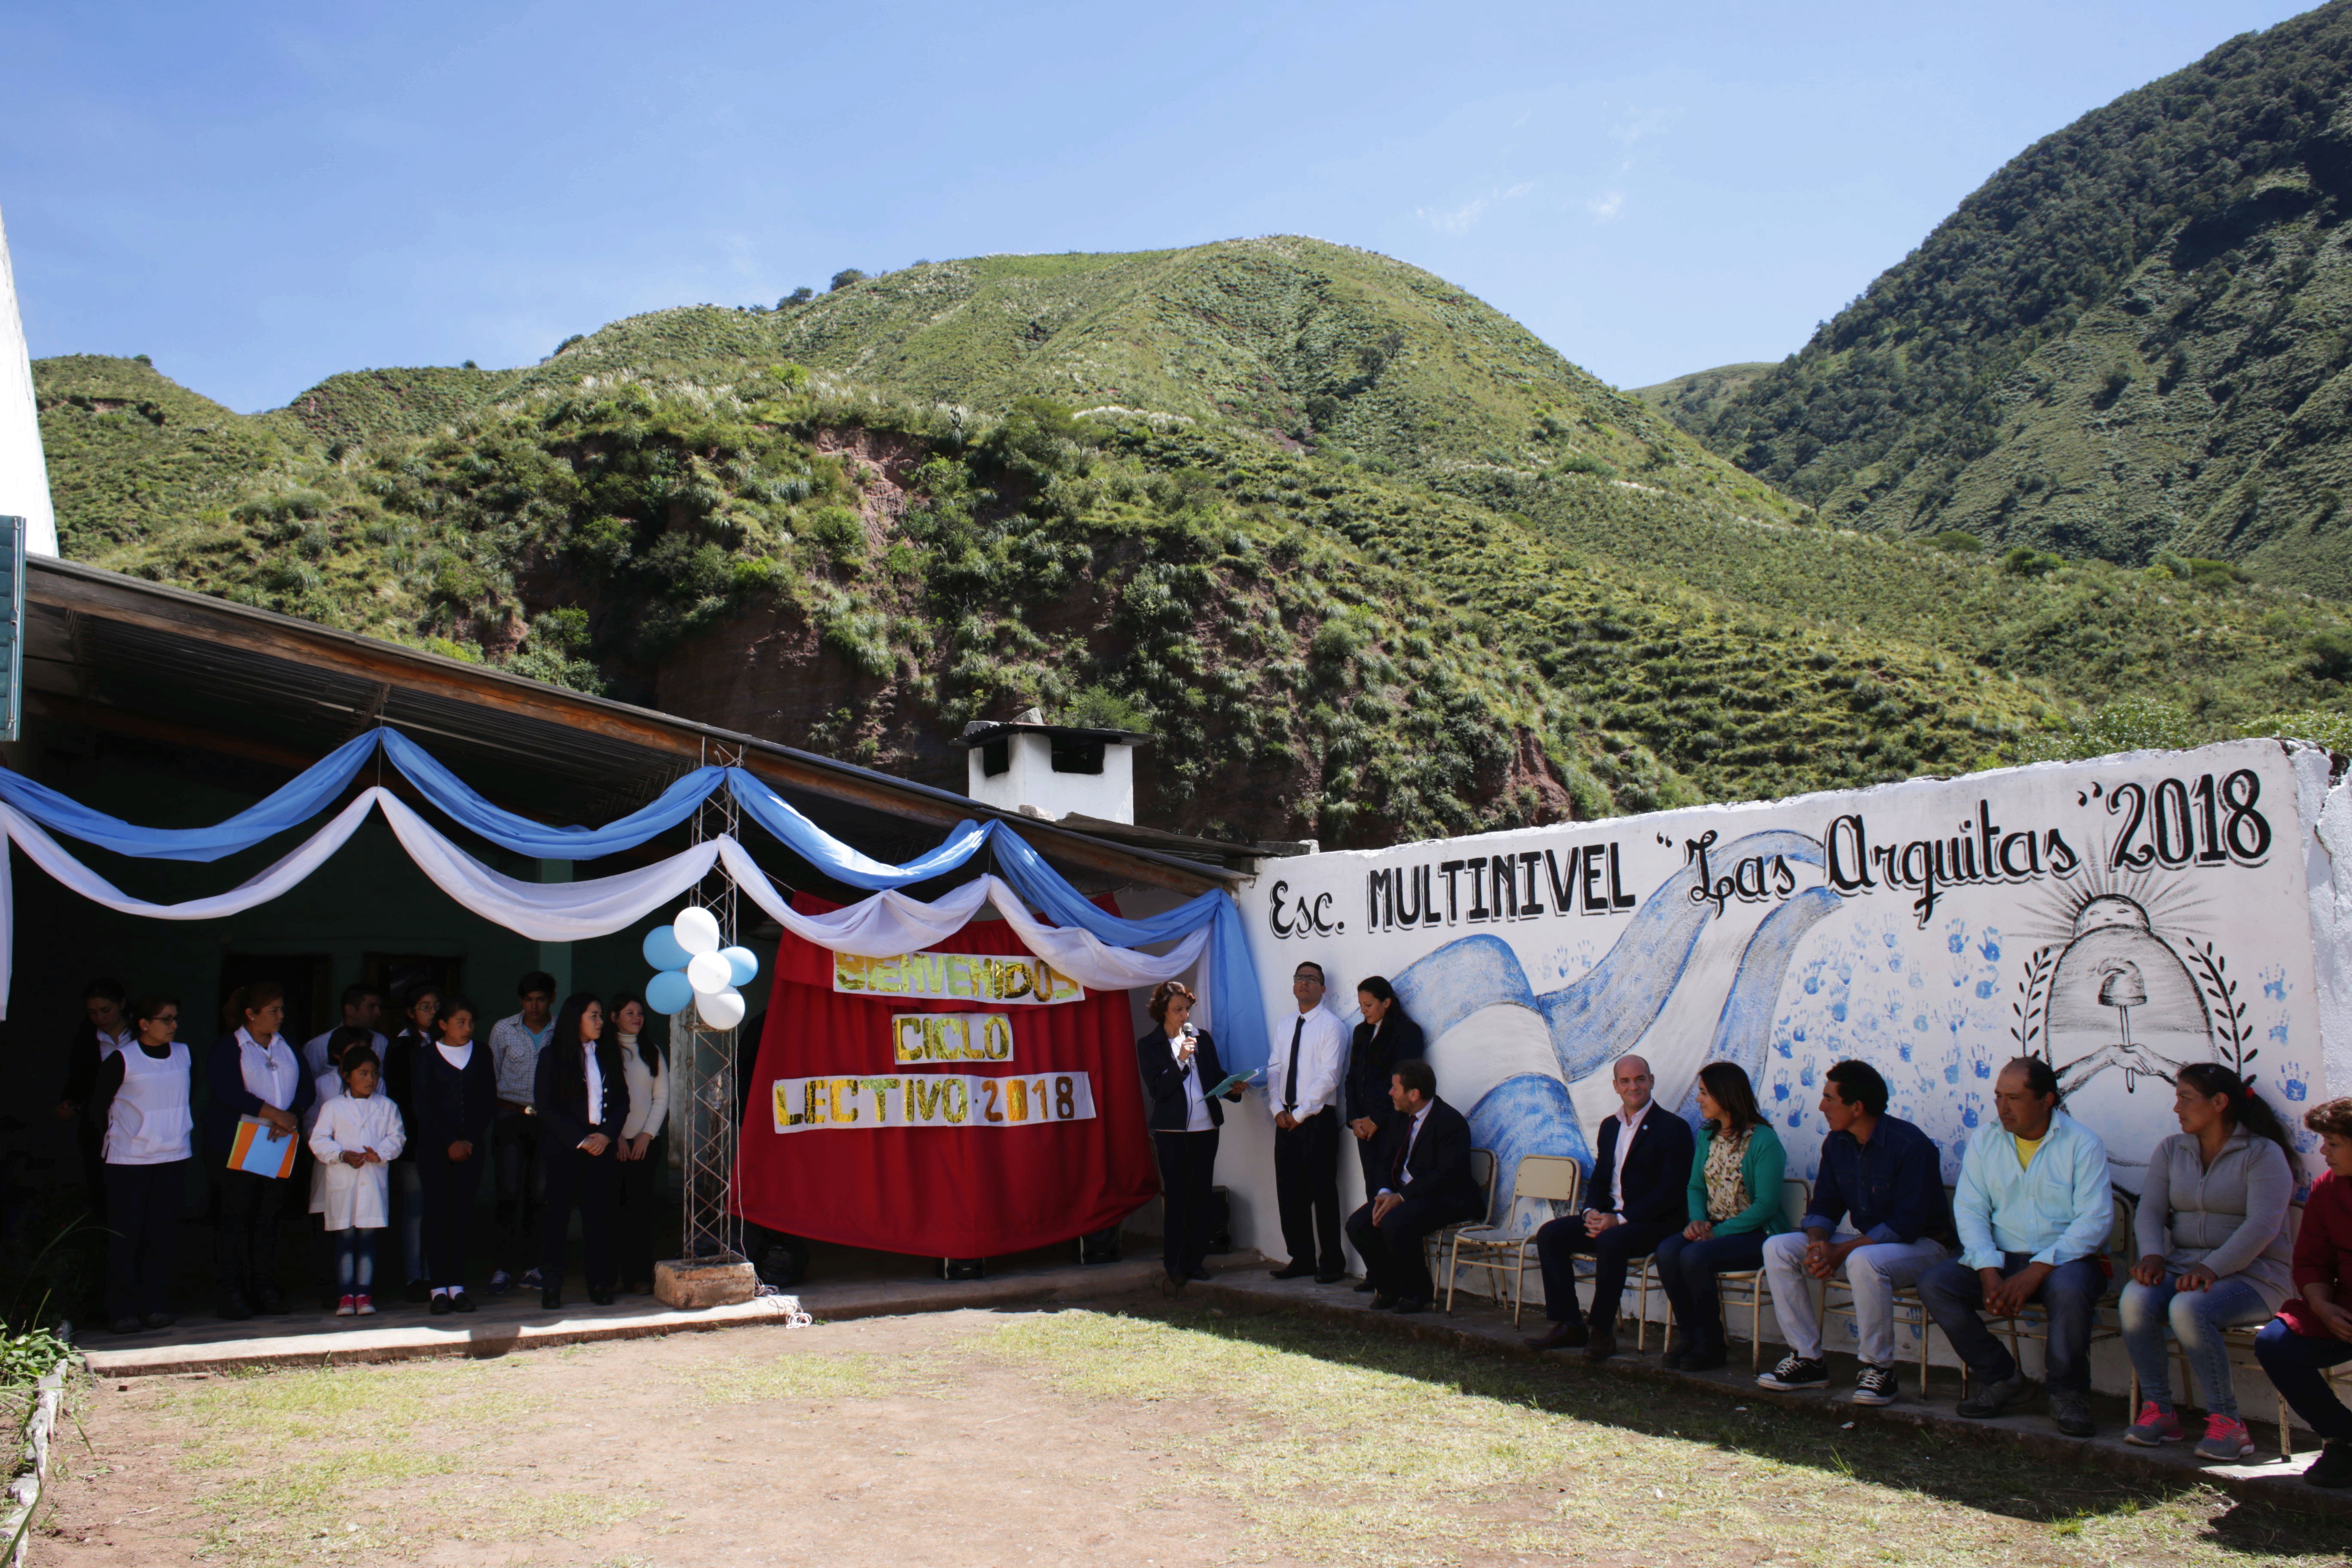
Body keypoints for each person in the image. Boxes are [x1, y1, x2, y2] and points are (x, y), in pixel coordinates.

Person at [1916, 1056, 2113, 1436]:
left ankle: (2068, 1394)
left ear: (2046, 1101)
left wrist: (2036, 1271)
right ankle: (2003, 1379)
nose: (2003, 1108)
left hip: (2066, 1261)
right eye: (1998, 1097)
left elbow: (2096, 1221)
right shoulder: (1987, 1140)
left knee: (2071, 1290)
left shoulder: (2082, 1144)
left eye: (2014, 1098)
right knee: (1936, 1283)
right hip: (2003, 1259)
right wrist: (1989, 1272)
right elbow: (1971, 1209)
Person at [2119, 1065, 2297, 1460]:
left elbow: (2263, 1226)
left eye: (2185, 1098)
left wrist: (2213, 1268)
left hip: (2256, 1277)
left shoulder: (2263, 1154)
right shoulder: (2171, 1149)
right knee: (2135, 1298)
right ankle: (2159, 1411)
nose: (2176, 1107)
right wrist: (2153, 1254)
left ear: (2219, 1103)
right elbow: (2149, 1210)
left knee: (2188, 1308)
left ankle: (2228, 1423)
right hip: (2185, 1269)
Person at [1758, 1060, 1951, 1405]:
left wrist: (1841, 1252)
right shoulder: (1837, 1143)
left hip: (1925, 1249)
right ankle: (1807, 1360)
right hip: (1870, 1249)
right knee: (1779, 1247)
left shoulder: (1911, 1145)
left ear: (1857, 1107)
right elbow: (1825, 1206)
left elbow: (1907, 1224)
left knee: (1864, 1260)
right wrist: (1819, 1245)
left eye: (1829, 1099)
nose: (1822, 1107)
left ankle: (1880, 1370)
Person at [1525, 1054, 1694, 1360]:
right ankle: (1570, 1324)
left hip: (1655, 1223)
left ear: (1651, 1081)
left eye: (1640, 1079)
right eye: (1626, 1081)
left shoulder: (1673, 1128)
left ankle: (1602, 1332)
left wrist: (1621, 1220)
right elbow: (1601, 1179)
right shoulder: (1609, 1127)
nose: (1634, 1087)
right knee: (1551, 1234)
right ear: (1616, 1086)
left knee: (1611, 1240)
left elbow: (1671, 1192)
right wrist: (1590, 1213)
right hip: (1611, 1220)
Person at [1653, 1062, 1790, 1371]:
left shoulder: (1764, 1141)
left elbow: (1766, 1206)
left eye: (1704, 1093)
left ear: (1724, 1095)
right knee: (1668, 1251)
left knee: (1695, 1256)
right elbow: (1696, 1186)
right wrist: (1698, 1222)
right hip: (1713, 1230)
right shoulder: (1707, 1137)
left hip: (1759, 1236)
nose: (1698, 1100)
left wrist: (1719, 1233)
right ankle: (1690, 1337)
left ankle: (1711, 1344)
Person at [203, 982, 315, 1320]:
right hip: (238, 1145)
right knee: (236, 1218)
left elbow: (307, 1086)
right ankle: (232, 1292)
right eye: (273, 1011)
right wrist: (273, 1113)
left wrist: (291, 1114)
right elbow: (228, 1091)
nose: (281, 1016)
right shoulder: (229, 1047)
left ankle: (265, 1288)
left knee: (269, 1218)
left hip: (280, 1143)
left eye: (281, 1009)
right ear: (251, 1015)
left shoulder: (287, 1045)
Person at [2256, 1096, 2352, 1488]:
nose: (2323, 1152)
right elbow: (2311, 1259)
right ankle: (2344, 1437)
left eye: (2334, 1143)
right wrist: (2322, 1305)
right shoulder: (2329, 1188)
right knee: (2277, 1344)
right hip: (2342, 1308)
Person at [1342, 1060, 1482, 1312]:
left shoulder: (1450, 1122)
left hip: (1447, 1197)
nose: (1390, 1093)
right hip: (1406, 1196)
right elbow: (1385, 1161)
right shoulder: (1400, 1118)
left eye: (1395, 1088)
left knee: (1397, 1222)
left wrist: (1402, 1198)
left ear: (1414, 1094)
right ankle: (1389, 1287)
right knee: (1359, 1225)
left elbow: (1446, 1175)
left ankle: (1417, 1292)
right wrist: (1385, 1193)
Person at [1134, 980, 1246, 1292]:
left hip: (1206, 1128)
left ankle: (1197, 1262)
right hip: (1172, 1131)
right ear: (1163, 1012)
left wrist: (1234, 1089)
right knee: (1178, 1196)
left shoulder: (1202, 1039)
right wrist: (1181, 1059)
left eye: (1187, 1009)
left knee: (1201, 1196)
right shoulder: (1150, 1045)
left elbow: (1215, 1078)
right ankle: (1175, 1264)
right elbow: (1159, 1090)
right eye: (1177, 1010)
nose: (1184, 1016)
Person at [93, 993, 191, 1333]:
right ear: (144, 1024)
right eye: (166, 1019)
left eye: (175, 1018)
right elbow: (97, 1109)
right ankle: (122, 1310)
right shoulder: (123, 1059)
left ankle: (155, 1306)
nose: (173, 1025)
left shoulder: (183, 1054)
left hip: (173, 1155)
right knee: (126, 1236)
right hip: (129, 1160)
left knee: (161, 1235)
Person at [536, 993, 631, 1309]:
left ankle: (600, 1283)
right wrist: (581, 1139)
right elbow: (546, 1107)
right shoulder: (553, 1056)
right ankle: (552, 1286)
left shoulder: (607, 1054)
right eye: (594, 1016)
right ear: (575, 1019)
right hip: (566, 1148)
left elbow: (622, 1102)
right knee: (557, 1217)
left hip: (601, 1148)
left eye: (601, 1015)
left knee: (599, 1218)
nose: (601, 1022)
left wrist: (605, 1135)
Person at [1266, 960, 1349, 1284]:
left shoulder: (1332, 1026)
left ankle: (1331, 1262)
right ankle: (1301, 1258)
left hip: (1316, 1120)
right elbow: (1274, 1068)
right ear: (1293, 985)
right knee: (1289, 1192)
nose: (1304, 984)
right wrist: (1277, 1109)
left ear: (1323, 988)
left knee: (1323, 1192)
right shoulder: (1286, 1025)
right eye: (1300, 978)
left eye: (1312, 980)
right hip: (1285, 1119)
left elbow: (1329, 1077)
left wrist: (1299, 1114)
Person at [309, 1043, 406, 1317]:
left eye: (374, 1074)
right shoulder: (333, 1107)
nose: (370, 1080)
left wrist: (381, 1154)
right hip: (343, 1181)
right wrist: (340, 1155)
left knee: (367, 1239)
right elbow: (319, 1139)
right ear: (346, 1075)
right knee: (345, 1239)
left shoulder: (387, 1106)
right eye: (363, 1074)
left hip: (372, 1181)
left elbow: (397, 1138)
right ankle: (345, 1295)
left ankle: (364, 1294)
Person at [414, 995, 496, 1314]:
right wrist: (449, 1141)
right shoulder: (426, 1057)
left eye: (470, 1022)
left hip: (471, 1148)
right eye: (460, 1022)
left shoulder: (482, 1053)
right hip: (434, 1150)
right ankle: (437, 1288)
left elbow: (488, 1101)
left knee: (462, 1215)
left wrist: (469, 1140)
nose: (467, 1028)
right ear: (443, 1025)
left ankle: (458, 1286)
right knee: (437, 1215)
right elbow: (423, 1106)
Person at [1344, 976, 1425, 1262]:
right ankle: (1377, 1269)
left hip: (1392, 1126)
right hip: (1364, 1129)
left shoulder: (1407, 1033)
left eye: (1369, 1005)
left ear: (1387, 1003)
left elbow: (1404, 1083)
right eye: (1361, 1006)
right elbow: (1353, 1079)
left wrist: (1377, 1119)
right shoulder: (1361, 1033)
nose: (1364, 1011)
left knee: (1390, 1191)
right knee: (1372, 1191)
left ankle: (1397, 1268)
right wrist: (1355, 1119)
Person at [488, 971, 557, 1295]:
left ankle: (532, 1267)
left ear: (551, 1000)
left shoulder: (561, 1031)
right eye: (529, 1000)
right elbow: (491, 1076)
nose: (534, 1006)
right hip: (510, 1115)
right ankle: (502, 1267)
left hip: (546, 1121)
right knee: (508, 1193)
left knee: (540, 1195)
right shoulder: (503, 1029)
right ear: (521, 1002)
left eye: (541, 999)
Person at [55, 978, 133, 1225]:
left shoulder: (142, 1032)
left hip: (137, 1125)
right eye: (92, 1012)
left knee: (134, 1192)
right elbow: (79, 1078)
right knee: (101, 1189)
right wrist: (70, 1102)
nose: (100, 1018)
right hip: (99, 1125)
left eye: (105, 1010)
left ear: (121, 1004)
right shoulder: (87, 1037)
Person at [381, 985, 439, 1301]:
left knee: (436, 1209)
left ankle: (435, 1274)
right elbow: (401, 1097)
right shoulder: (402, 1046)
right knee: (415, 1210)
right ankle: (414, 1277)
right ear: (410, 1012)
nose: (431, 1012)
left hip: (441, 1142)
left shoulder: (445, 1043)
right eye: (424, 1006)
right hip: (414, 1141)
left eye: (435, 1006)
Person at [611, 994, 668, 1295]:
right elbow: (602, 1099)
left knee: (640, 1212)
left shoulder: (652, 1052)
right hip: (612, 1143)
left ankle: (640, 1276)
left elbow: (661, 1097)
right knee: (613, 1211)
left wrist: (646, 1135)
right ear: (614, 1018)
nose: (637, 1018)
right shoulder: (605, 1051)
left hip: (645, 1146)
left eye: (640, 1013)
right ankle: (613, 1276)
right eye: (629, 1012)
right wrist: (616, 1135)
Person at [300, 983, 387, 1090]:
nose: (378, 1013)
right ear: (350, 1010)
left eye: (379, 1007)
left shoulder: (382, 1042)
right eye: (371, 1007)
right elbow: (307, 1086)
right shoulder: (318, 1045)